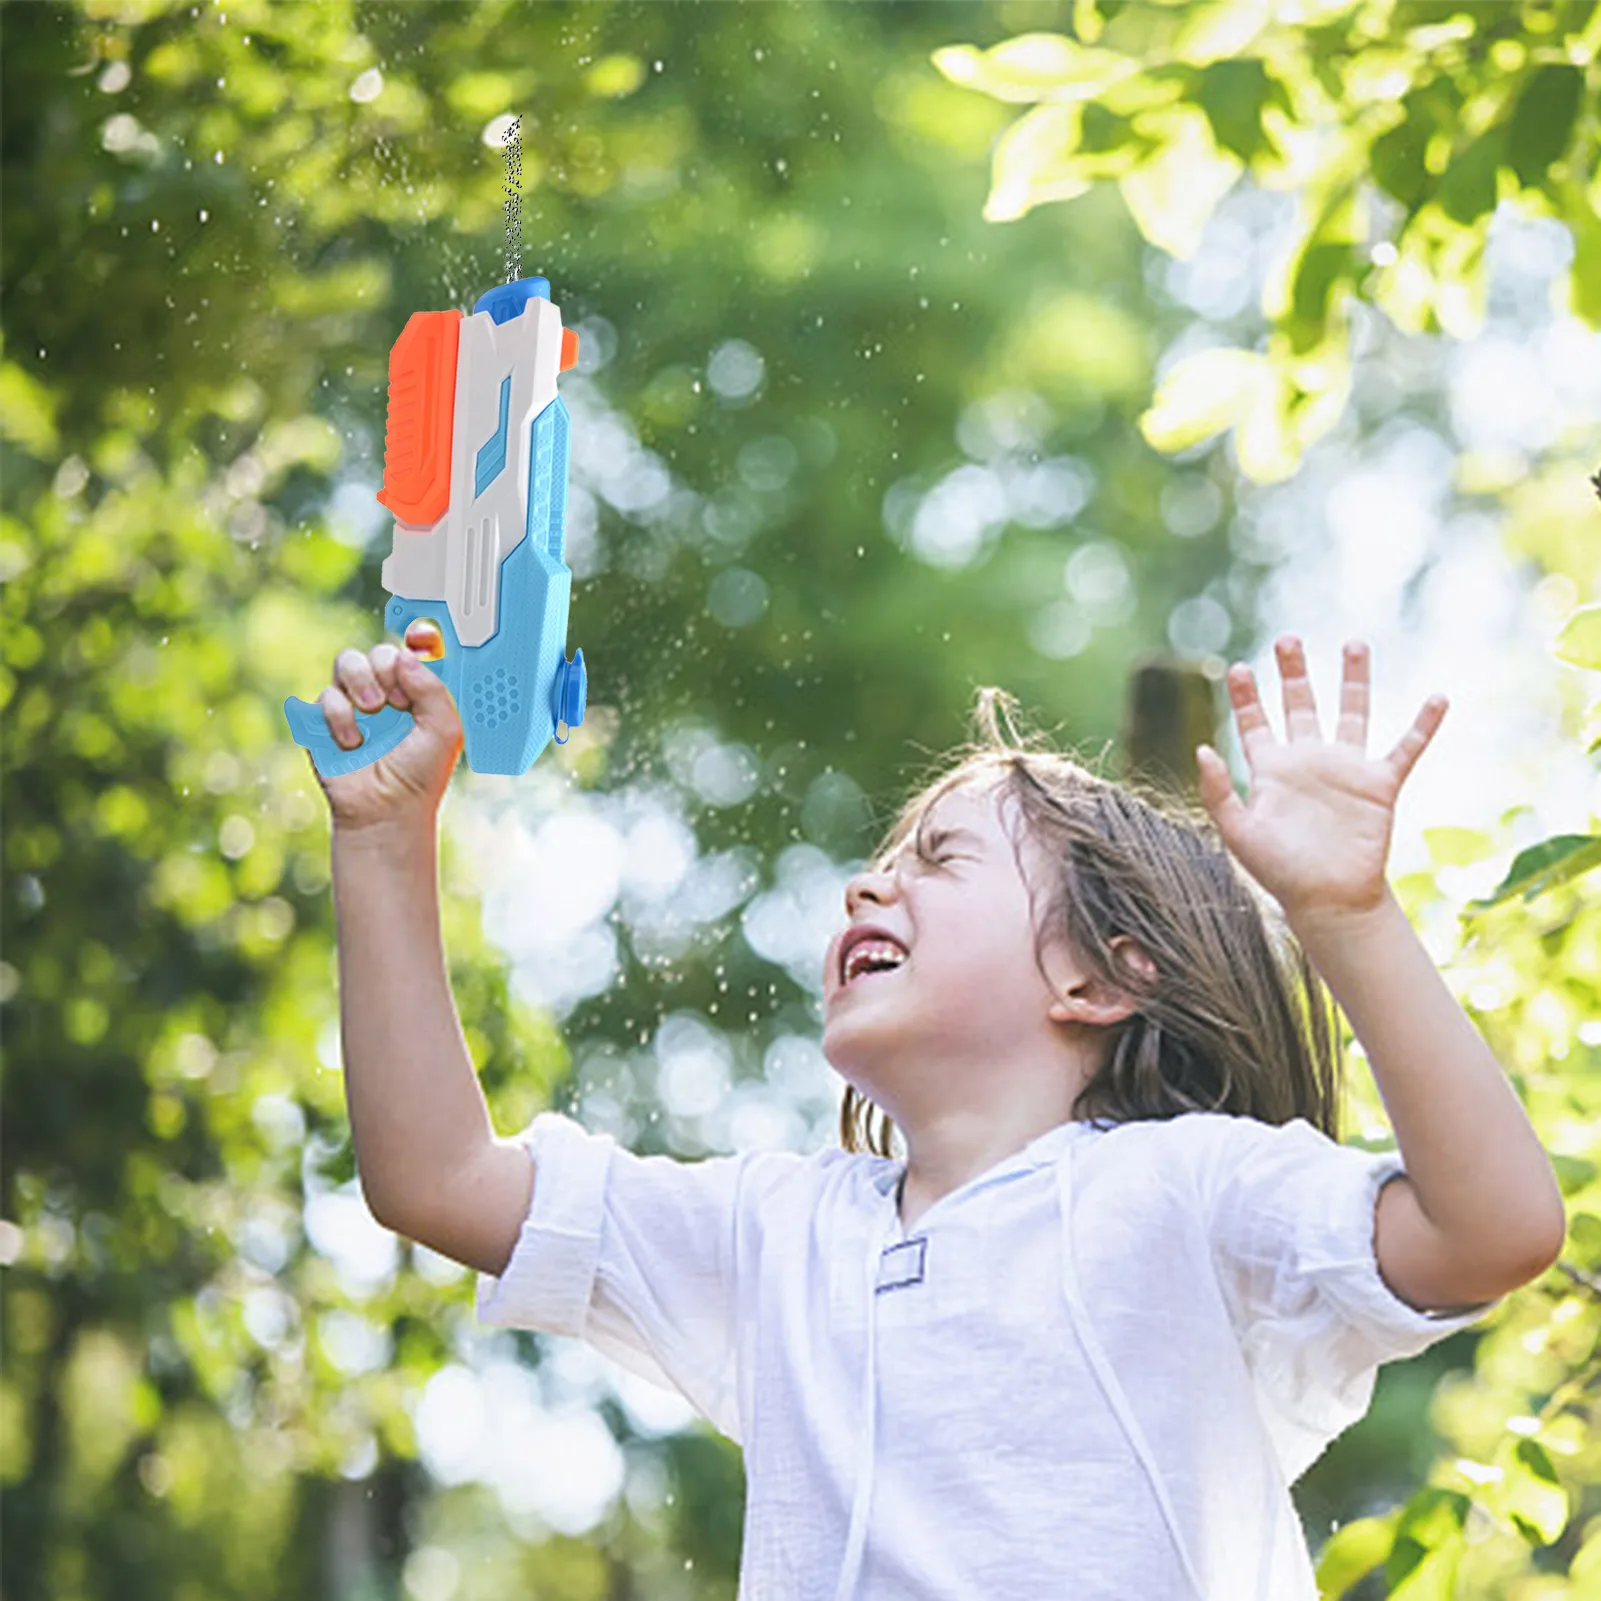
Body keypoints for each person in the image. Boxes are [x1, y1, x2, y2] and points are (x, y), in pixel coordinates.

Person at [313, 632, 1567, 1601]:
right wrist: (381, 840)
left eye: (939, 858)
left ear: (1095, 978)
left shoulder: (1185, 1195)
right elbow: (437, 1177)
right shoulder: (780, 1233)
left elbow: (1493, 1227)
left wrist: (1345, 918)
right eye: (885, 856)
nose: (871, 878)